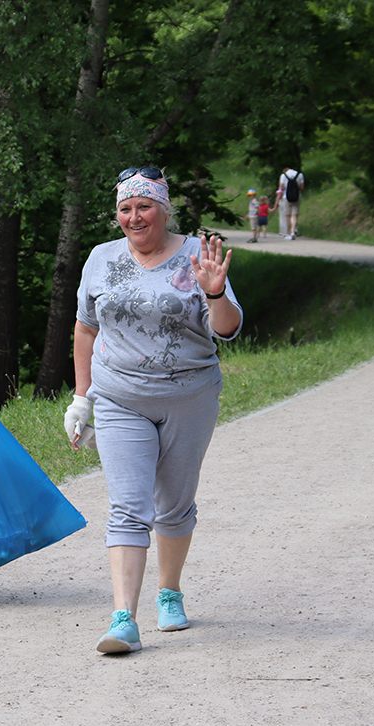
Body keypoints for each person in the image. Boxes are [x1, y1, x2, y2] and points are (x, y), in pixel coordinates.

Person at [63, 167, 243, 654]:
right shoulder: (101, 258)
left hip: (189, 397)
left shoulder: (196, 254)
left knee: (174, 506)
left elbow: (227, 329)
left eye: (144, 207)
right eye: (125, 208)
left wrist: (215, 292)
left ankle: (170, 592)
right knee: (127, 507)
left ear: (164, 209)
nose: (134, 217)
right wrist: (82, 398)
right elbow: (84, 329)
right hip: (119, 396)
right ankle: (124, 618)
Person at [279, 167, 304, 238]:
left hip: (286, 197)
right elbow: (302, 187)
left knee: (288, 216)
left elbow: (282, 188)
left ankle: (289, 233)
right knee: (295, 215)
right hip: (297, 197)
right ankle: (293, 232)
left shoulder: (283, 176)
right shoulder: (300, 175)